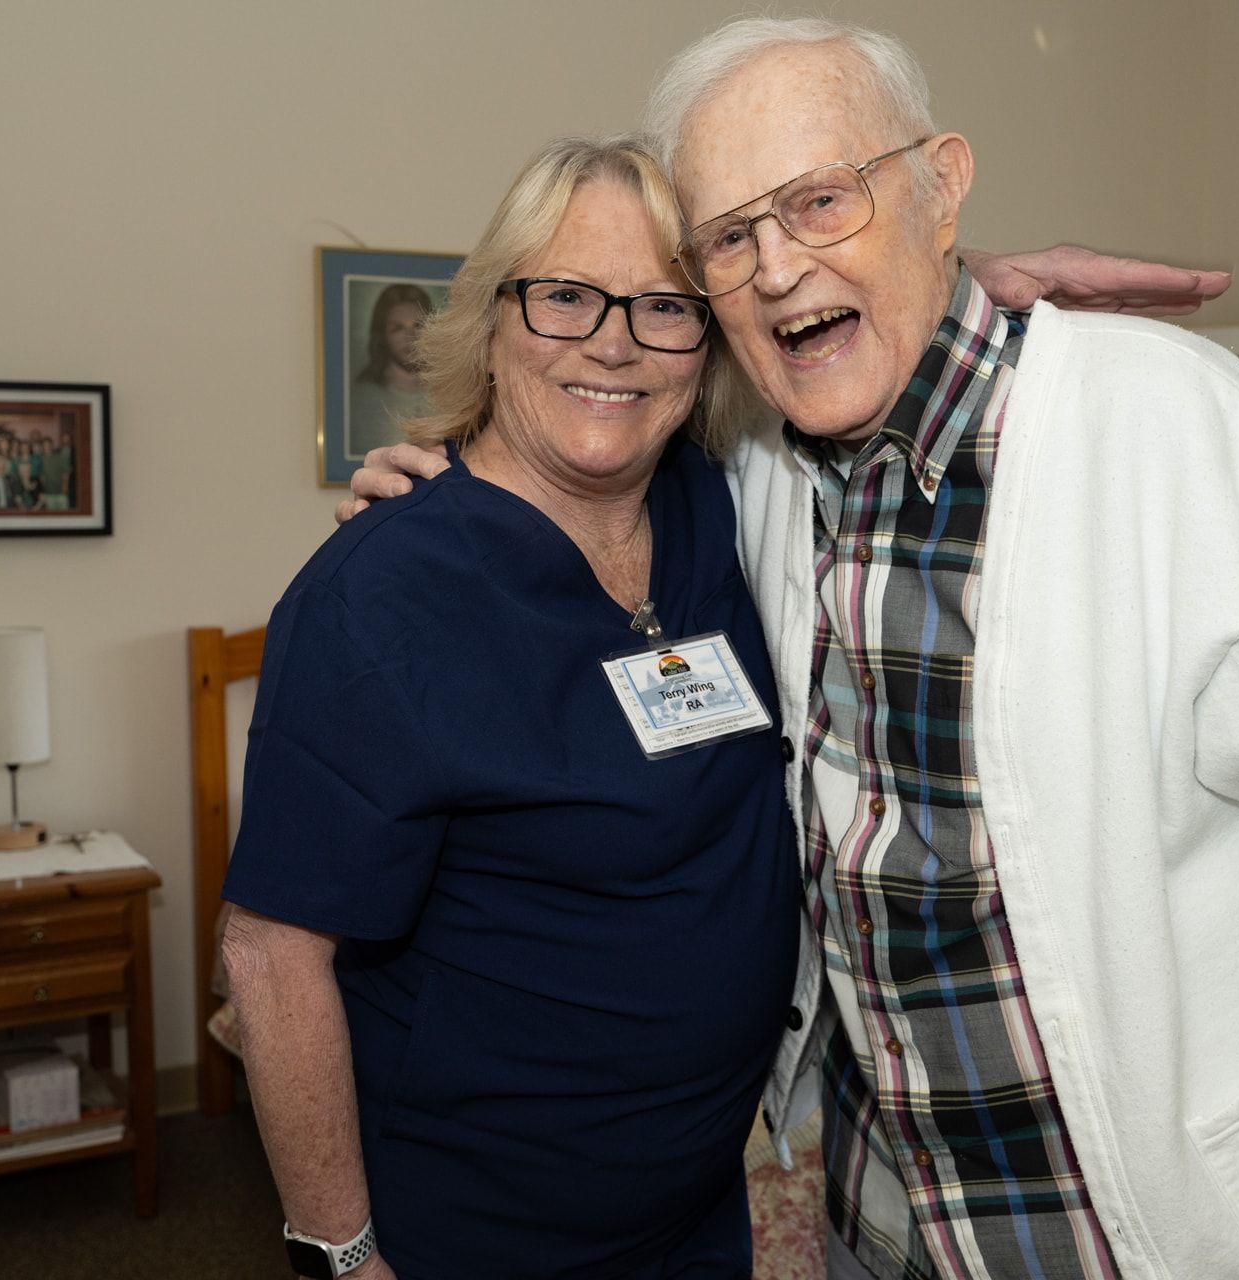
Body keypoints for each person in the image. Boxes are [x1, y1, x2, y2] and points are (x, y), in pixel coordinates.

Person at [355, 17, 1239, 1280]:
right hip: (886, 1225)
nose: (777, 266)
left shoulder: (1179, 434)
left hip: (1167, 1236)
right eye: (730, 237)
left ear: (942, 183)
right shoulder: (742, 479)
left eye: (820, 200)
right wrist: (446, 495)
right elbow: (580, 436)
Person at [224, 137, 799, 1280]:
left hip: (694, 1209)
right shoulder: (376, 598)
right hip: (480, 1232)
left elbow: (864, 341)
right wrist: (344, 1256)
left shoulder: (717, 509)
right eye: (566, 296)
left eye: (664, 306)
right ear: (491, 319)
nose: (615, 343)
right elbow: (271, 954)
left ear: (708, 343)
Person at [346, 283, 435, 458]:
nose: (410, 337)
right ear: (382, 336)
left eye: (418, 326)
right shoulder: (361, 397)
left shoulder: (453, 397)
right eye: (398, 328)